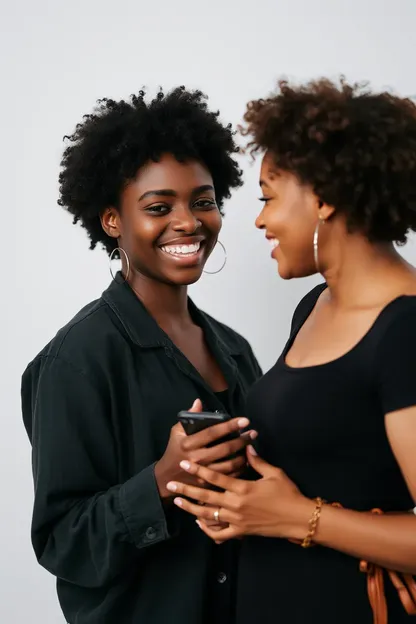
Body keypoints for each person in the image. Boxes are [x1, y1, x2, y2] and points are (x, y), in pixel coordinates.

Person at [165, 78, 416, 623]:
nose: (258, 220)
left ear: (324, 197)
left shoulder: (406, 330)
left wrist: (298, 518)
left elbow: (302, 508)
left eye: (268, 198)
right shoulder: (314, 305)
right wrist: (238, 500)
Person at [21, 87, 262, 624]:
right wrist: (161, 481)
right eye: (159, 207)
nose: (189, 222)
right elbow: (63, 542)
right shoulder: (75, 360)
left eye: (203, 201)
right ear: (112, 221)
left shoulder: (235, 349)